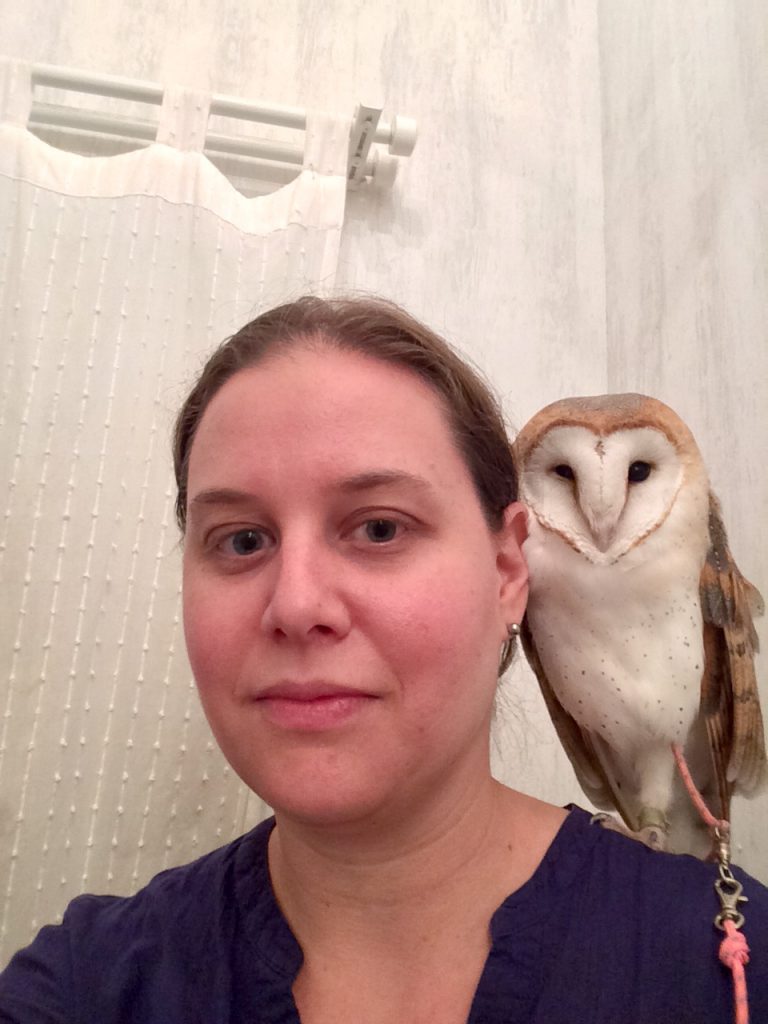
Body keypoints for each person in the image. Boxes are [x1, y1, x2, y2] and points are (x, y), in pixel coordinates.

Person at [0, 295, 766, 1023]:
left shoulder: (732, 964)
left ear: (507, 574)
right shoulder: (87, 987)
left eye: (378, 530)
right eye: (241, 540)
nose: (296, 606)